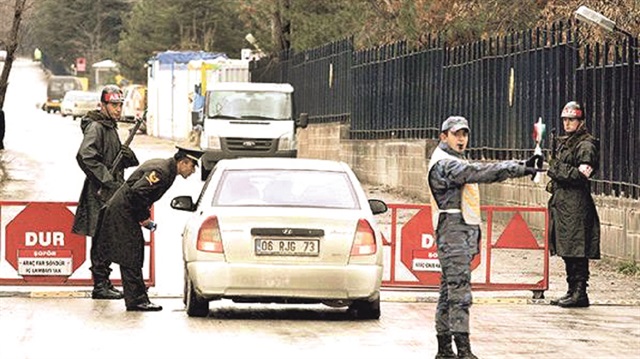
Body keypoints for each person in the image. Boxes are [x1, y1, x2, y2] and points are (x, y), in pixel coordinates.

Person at [427, 116, 543, 359]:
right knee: (459, 292)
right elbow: (477, 172)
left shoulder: (453, 159)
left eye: (464, 134)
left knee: (449, 291)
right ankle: (463, 351)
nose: (461, 139)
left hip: (458, 232)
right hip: (453, 232)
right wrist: (520, 167)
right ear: (443, 136)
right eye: (456, 134)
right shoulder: (445, 164)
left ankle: (445, 350)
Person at [94, 145, 204, 312]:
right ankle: (136, 300)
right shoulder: (161, 171)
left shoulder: (166, 168)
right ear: (183, 162)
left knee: (132, 254)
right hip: (123, 212)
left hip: (125, 211)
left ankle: (137, 298)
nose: (193, 171)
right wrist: (144, 218)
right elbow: (137, 193)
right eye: (192, 166)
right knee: (131, 255)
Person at [72, 84, 139, 300]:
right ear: (102, 105)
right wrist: (107, 180)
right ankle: (100, 285)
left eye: (120, 105)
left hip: (110, 188)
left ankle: (104, 283)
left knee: (107, 236)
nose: (118, 109)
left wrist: (127, 156)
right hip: (100, 190)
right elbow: (86, 155)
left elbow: (112, 157)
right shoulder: (97, 127)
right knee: (101, 237)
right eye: (113, 105)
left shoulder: (109, 127)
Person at [546, 101, 600, 308]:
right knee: (567, 247)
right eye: (565, 120)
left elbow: (582, 174)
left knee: (577, 247)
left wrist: (556, 169)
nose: (567, 124)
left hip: (576, 204)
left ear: (581, 121)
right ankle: (571, 290)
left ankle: (580, 291)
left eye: (572, 120)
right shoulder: (567, 142)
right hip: (563, 203)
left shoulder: (586, 145)